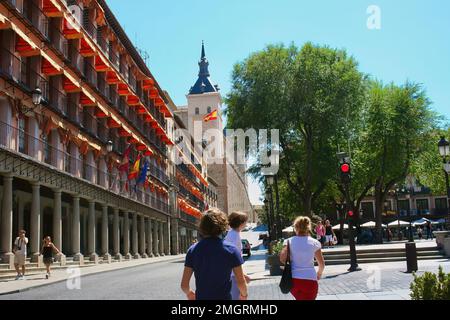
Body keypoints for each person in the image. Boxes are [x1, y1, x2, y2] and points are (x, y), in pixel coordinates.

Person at [181, 208, 248, 300]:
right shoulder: (231, 250)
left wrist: (189, 293)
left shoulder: (193, 250)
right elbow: (241, 282)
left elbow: (184, 285)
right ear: (223, 226)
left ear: (202, 227)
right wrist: (244, 295)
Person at [280, 216, 325, 300]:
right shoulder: (315, 242)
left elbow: (282, 259)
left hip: (293, 280)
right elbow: (321, 264)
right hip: (310, 279)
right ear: (308, 227)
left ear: (295, 227)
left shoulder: (288, 241)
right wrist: (319, 274)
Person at [224, 211, 252, 300]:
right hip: (233, 275)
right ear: (241, 223)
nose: (246, 224)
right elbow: (231, 258)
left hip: (232, 274)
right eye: (245, 221)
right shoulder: (234, 236)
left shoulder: (232, 234)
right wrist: (241, 276)